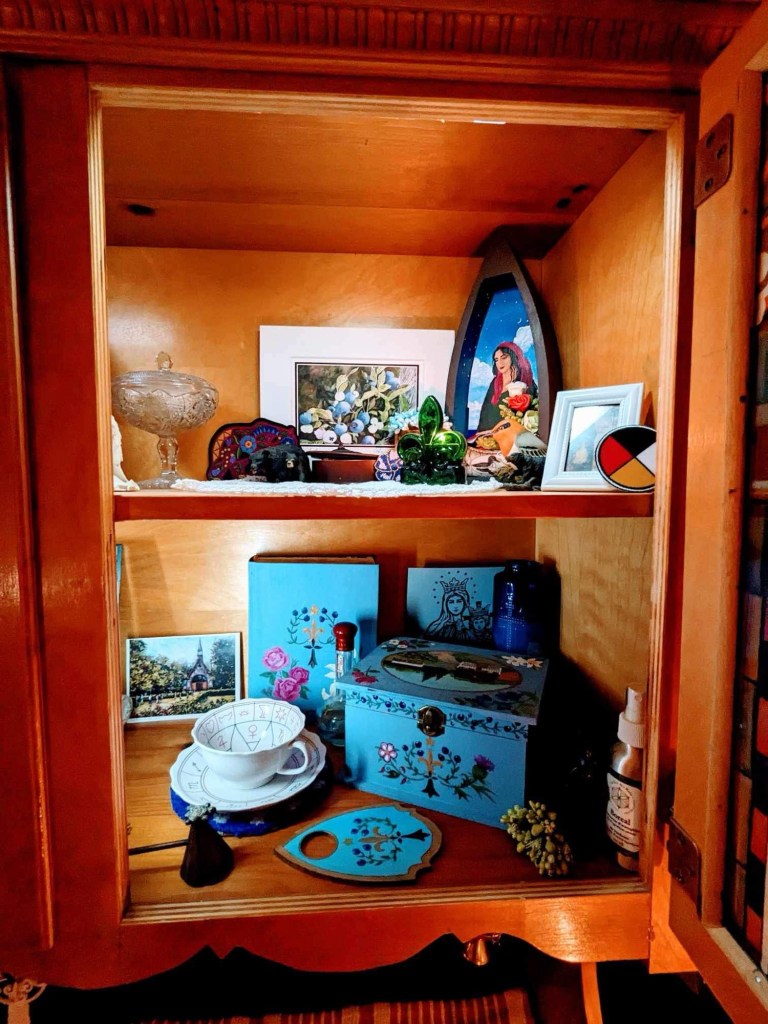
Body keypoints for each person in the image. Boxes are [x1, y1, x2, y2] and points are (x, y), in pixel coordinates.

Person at [472, 342, 538, 457]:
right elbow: (485, 412)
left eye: (504, 357)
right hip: (488, 437)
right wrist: (482, 436)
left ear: (514, 356)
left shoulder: (526, 381)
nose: (500, 363)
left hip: (512, 440)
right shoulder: (495, 383)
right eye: (496, 360)